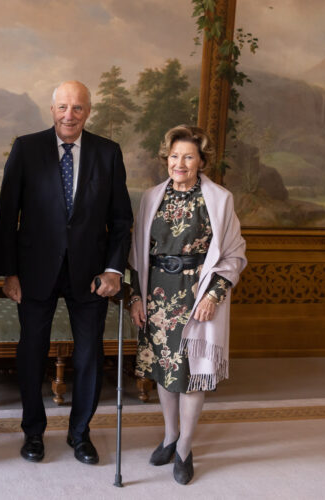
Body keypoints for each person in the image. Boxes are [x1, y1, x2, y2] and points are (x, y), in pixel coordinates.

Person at [0, 81, 133, 465]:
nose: (69, 115)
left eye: (77, 108)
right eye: (62, 107)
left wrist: (113, 270)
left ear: (88, 110)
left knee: (89, 356)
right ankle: (33, 434)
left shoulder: (108, 153)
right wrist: (9, 273)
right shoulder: (26, 148)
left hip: (91, 274)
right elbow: (7, 216)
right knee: (31, 354)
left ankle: (80, 434)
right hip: (34, 271)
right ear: (51, 109)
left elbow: (121, 219)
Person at [129, 124, 247, 485]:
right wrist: (136, 297)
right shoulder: (151, 197)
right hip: (158, 294)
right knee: (166, 371)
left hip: (197, 296)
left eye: (189, 156)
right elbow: (136, 252)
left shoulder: (219, 199)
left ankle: (184, 450)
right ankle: (169, 436)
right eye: (175, 155)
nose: (180, 162)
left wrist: (213, 296)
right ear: (167, 158)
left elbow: (234, 254)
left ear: (201, 160)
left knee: (193, 375)